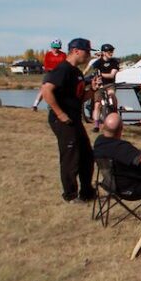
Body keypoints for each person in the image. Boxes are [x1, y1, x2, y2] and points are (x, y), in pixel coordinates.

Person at [41, 38, 97, 203]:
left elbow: (80, 98)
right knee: (71, 157)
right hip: (63, 121)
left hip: (75, 119)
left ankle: (87, 193)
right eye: (87, 52)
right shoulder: (63, 69)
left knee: (87, 155)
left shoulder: (77, 72)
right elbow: (46, 90)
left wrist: (93, 89)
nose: (89, 55)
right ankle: (70, 195)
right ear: (76, 51)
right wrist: (60, 114)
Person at [88, 43, 120, 132]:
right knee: (97, 105)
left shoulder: (114, 62)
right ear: (104, 52)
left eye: (112, 51)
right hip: (100, 86)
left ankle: (114, 111)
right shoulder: (97, 63)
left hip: (110, 84)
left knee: (111, 94)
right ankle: (96, 125)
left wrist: (100, 74)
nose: (111, 53)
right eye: (109, 51)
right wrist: (94, 79)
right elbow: (92, 72)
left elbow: (112, 75)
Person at [31, 39, 67, 110]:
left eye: (57, 47)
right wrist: (52, 70)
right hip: (50, 74)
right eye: (54, 47)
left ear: (59, 47)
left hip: (60, 75)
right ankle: (35, 105)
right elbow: (46, 65)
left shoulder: (63, 55)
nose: (55, 49)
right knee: (43, 89)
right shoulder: (48, 54)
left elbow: (65, 65)